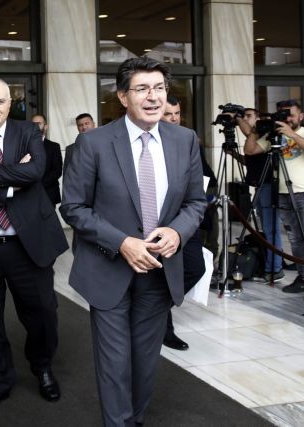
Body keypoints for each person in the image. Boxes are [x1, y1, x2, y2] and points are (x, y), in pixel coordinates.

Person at [60, 57, 205, 426]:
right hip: (109, 269)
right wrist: (122, 242)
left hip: (159, 270)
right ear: (123, 97)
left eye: (159, 88)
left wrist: (177, 232)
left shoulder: (185, 140)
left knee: (145, 360)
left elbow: (195, 202)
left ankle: (134, 419)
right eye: (142, 89)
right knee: (114, 363)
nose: (153, 97)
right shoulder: (92, 143)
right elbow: (73, 207)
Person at [0, 77, 68, 417]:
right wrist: (11, 180)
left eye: (0, 101)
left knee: (43, 315)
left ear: (10, 104)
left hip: (28, 243)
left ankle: (42, 366)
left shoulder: (28, 131)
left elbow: (35, 171)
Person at [244, 99, 304, 293]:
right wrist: (255, 131)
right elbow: (250, 150)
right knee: (295, 239)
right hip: (284, 193)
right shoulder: (275, 136)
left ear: (301, 116)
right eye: (282, 114)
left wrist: (292, 135)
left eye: (290, 114)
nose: (287, 118)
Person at [159, 95, 209, 352]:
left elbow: (206, 174)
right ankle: (164, 328)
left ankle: (154, 310)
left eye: (177, 113)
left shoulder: (189, 140)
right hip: (158, 222)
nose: (174, 118)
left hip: (186, 220)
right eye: (168, 114)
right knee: (160, 275)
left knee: (195, 268)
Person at [237, 108, 285, 282]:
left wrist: (238, 119)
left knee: (271, 230)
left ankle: (275, 269)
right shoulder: (261, 138)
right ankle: (273, 264)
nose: (246, 119)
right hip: (260, 185)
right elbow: (250, 157)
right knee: (267, 228)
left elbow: (249, 148)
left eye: (249, 116)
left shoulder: (270, 137)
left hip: (268, 185)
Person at [32, 113, 63, 206]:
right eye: (33, 124)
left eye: (39, 123)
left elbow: (57, 171)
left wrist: (38, 185)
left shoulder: (54, 146)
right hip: (27, 195)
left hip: (48, 194)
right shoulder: (22, 145)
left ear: (46, 126)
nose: (36, 126)